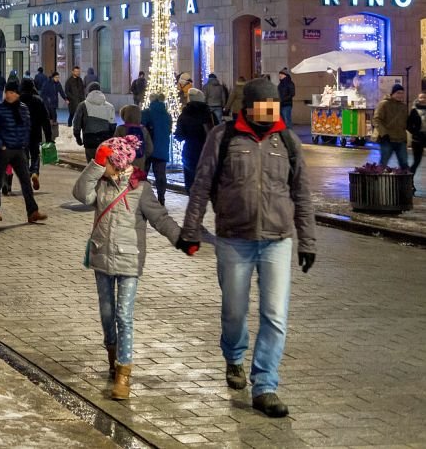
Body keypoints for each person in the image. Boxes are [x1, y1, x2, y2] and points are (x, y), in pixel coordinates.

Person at [178, 77, 316, 419]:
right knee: (235, 310)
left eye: (273, 105)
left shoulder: (286, 140)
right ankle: (234, 356)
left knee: (275, 315)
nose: (269, 112)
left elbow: (301, 192)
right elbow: (202, 184)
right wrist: (191, 230)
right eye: (263, 106)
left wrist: (307, 241)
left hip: (277, 240)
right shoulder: (223, 138)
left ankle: (265, 385)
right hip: (234, 238)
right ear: (248, 107)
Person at [73, 135, 183, 401]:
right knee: (107, 314)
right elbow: (80, 193)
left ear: (117, 161)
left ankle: (124, 372)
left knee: (124, 315)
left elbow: (160, 218)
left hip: (129, 260)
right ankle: (112, 357)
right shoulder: (99, 186)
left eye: (104, 160)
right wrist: (96, 167)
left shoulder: (140, 189)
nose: (101, 165)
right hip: (102, 257)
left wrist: (181, 238)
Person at [0, 82, 47, 224]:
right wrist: (0, 145)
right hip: (3, 150)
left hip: (19, 150)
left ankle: (32, 212)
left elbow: (27, 126)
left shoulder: (23, 109)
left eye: (13, 92)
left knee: (26, 181)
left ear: (18, 94)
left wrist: (24, 142)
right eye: (8, 92)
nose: (9, 95)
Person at [175, 88, 215, 192]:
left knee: (191, 185)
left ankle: (193, 203)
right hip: (207, 152)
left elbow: (179, 136)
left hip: (190, 152)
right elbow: (217, 132)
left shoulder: (184, 115)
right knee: (205, 185)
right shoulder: (209, 114)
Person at [18, 78, 53, 193]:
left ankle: (27, 175)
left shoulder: (18, 100)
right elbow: (45, 119)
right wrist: (49, 137)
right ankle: (34, 172)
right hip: (35, 132)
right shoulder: (38, 100)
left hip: (21, 134)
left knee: (24, 157)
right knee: (35, 155)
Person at [140, 93, 173, 204]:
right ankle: (161, 198)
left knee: (142, 173)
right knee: (160, 175)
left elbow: (141, 128)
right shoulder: (167, 115)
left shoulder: (146, 113)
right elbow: (168, 131)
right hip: (162, 148)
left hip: (147, 148)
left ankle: (142, 196)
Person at [72, 84, 116, 161]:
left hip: (89, 140)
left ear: (88, 92)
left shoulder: (82, 105)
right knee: (103, 166)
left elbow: (77, 124)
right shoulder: (110, 106)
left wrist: (78, 137)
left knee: (91, 167)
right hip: (104, 141)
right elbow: (112, 125)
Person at [372, 83, 411, 170]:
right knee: (383, 162)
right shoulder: (384, 104)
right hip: (387, 139)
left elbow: (406, 122)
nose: (400, 95)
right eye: (398, 93)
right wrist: (384, 134)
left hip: (400, 139)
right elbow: (377, 120)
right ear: (392, 93)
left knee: (404, 163)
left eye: (402, 93)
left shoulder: (403, 107)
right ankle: (378, 181)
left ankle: (406, 182)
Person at [409, 93, 426, 195]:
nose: (423, 99)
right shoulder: (414, 110)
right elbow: (409, 124)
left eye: (424, 97)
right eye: (421, 97)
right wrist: (415, 132)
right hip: (418, 138)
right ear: (418, 98)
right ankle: (410, 182)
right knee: (416, 161)